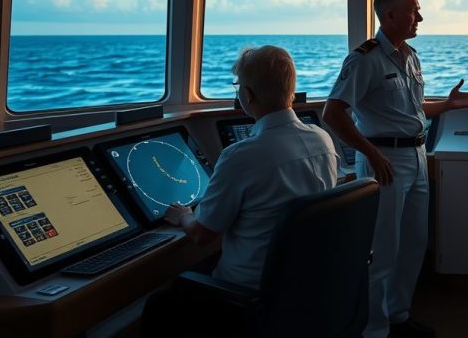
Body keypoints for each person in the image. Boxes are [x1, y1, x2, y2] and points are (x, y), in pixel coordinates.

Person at [324, 0, 468, 338]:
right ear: (390, 15)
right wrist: (371, 153)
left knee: (414, 242)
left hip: (416, 154)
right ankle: (374, 329)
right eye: (414, 10)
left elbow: (410, 111)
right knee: (383, 249)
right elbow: (333, 113)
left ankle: (397, 315)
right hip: (384, 160)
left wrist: (448, 104)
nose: (420, 18)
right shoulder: (364, 59)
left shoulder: (410, 56)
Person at [142, 45, 339, 337]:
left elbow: (202, 235)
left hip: (248, 295)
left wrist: (183, 216)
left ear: (247, 94)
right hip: (305, 285)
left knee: (159, 306)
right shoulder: (323, 139)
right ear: (290, 90)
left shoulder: (240, 156)